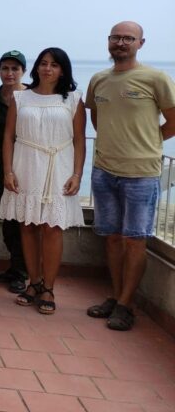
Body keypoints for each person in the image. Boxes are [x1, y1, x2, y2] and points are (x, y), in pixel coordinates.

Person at [85, 21, 175, 331]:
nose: (121, 43)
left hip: (141, 175)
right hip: (104, 171)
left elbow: (173, 120)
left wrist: (150, 142)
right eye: (116, 37)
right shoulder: (98, 80)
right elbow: (97, 119)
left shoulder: (155, 78)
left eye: (128, 38)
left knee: (135, 241)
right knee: (111, 238)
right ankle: (114, 296)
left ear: (141, 43)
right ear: (108, 41)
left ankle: (126, 305)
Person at [0, 47, 85, 315]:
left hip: (57, 166)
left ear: (63, 70)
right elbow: (8, 137)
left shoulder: (72, 98)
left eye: (55, 65)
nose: (48, 69)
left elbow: (80, 140)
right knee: (27, 226)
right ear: (36, 67)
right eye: (44, 63)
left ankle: (49, 287)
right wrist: (8, 172)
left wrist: (77, 174)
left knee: (52, 227)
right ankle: (33, 282)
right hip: (26, 165)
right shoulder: (20, 97)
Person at [0, 51, 29, 294]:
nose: (9, 73)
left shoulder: (33, 96)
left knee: (23, 217)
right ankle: (15, 266)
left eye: (15, 68)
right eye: (5, 68)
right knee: (6, 215)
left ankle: (22, 272)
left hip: (26, 162)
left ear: (23, 71)